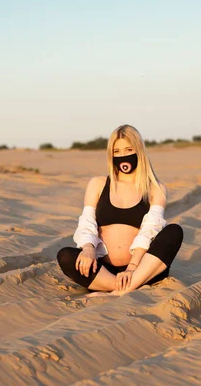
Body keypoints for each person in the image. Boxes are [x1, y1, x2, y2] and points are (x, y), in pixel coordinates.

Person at [57, 124, 183, 295]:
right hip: (103, 270)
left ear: (139, 151)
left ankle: (121, 289)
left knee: (174, 231)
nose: (123, 156)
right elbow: (87, 223)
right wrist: (88, 248)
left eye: (128, 149)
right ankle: (122, 287)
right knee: (65, 256)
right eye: (117, 151)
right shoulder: (98, 184)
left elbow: (150, 230)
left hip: (140, 269)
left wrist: (132, 269)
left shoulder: (155, 188)